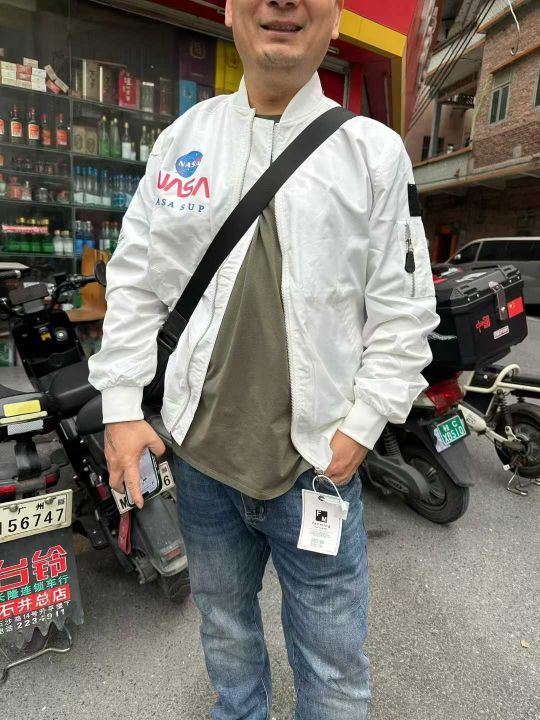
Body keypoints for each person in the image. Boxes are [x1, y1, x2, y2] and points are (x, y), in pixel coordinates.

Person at [88, 0, 439, 717]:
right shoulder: (183, 140)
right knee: (224, 628)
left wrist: (362, 426)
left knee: (333, 668)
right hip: (200, 461)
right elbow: (136, 282)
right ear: (229, 9)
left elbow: (405, 310)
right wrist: (121, 407)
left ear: (335, 18)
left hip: (317, 466)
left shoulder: (373, 154)